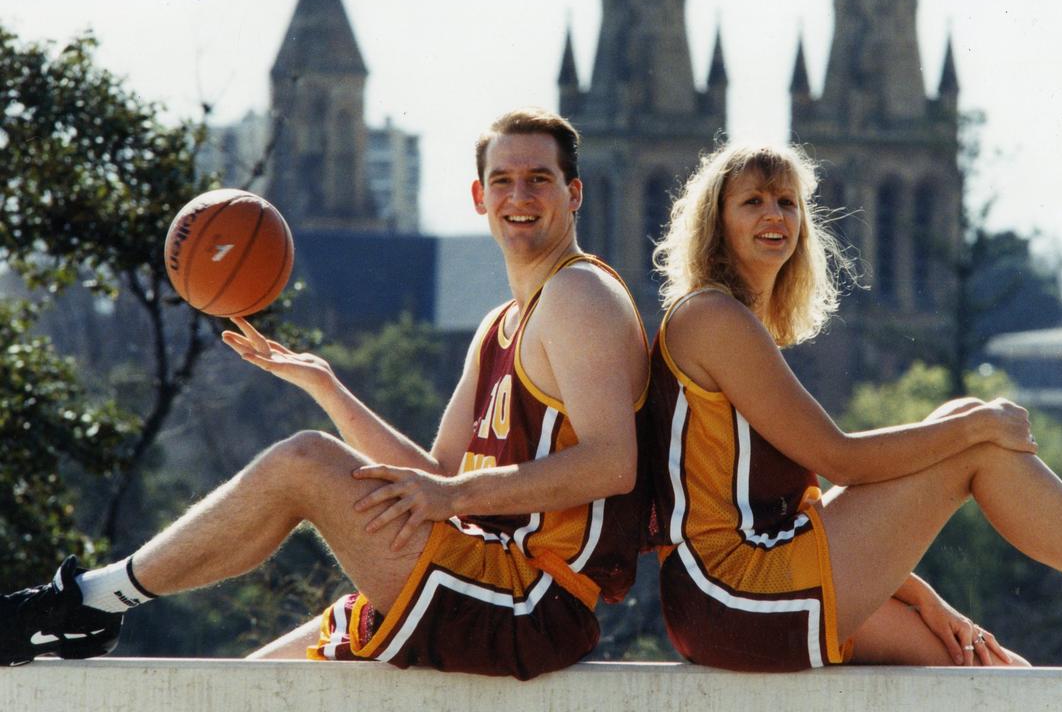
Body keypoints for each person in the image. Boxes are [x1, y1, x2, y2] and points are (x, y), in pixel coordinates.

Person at [0, 108, 651, 680]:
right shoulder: (500, 325)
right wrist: (328, 386)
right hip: (479, 575)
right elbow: (435, 475)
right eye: (504, 180)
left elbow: (610, 464)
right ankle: (93, 603)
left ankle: (84, 601)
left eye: (539, 178)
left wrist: (452, 496)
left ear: (574, 194)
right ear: (479, 197)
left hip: (533, 599)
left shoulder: (579, 294)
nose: (521, 194)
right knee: (248, 687)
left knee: (306, 464)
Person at [643, 141, 1062, 672]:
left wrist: (923, 596)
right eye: (751, 201)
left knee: (981, 666)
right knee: (972, 439)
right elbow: (840, 460)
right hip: (730, 591)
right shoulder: (712, 318)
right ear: (716, 222)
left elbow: (799, 506)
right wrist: (978, 426)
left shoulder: (740, 321)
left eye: (787, 200)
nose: (774, 214)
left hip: (748, 586)